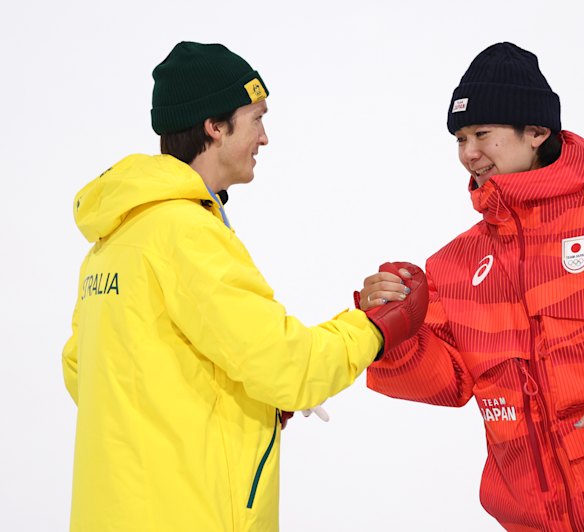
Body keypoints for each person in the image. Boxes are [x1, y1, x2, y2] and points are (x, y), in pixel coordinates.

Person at [359, 42, 584, 531]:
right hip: (536, 521)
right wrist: (392, 334)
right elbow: (447, 381)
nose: (469, 153)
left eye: (482, 134)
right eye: (460, 138)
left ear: (536, 132)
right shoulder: (454, 264)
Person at [61, 41, 426, 532]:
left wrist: (238, 402)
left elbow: (85, 373)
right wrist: (374, 328)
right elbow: (287, 365)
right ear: (214, 126)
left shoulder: (116, 237)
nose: (265, 137)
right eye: (256, 118)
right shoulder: (185, 233)